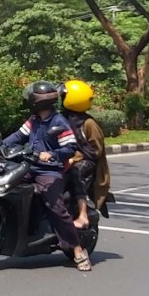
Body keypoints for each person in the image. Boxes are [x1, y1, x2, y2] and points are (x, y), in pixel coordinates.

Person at [0, 80, 92, 271]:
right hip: (29, 166)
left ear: (39, 101)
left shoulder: (59, 122)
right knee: (6, 186)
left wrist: (51, 155)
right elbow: (19, 136)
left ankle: (77, 250)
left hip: (50, 171)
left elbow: (70, 147)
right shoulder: (34, 120)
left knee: (56, 207)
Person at [61, 79, 112, 229]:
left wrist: (74, 159)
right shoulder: (62, 118)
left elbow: (95, 151)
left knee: (75, 173)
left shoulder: (88, 123)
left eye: (63, 97)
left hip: (86, 161)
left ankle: (82, 215)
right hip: (65, 157)